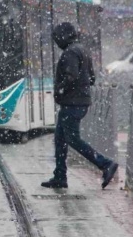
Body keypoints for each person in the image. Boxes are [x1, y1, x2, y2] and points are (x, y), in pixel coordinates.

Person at [41, 22, 118, 190]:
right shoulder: (82, 50)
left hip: (72, 103)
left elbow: (71, 76)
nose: (56, 43)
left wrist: (60, 90)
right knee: (60, 139)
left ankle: (105, 164)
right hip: (79, 102)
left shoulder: (70, 53)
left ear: (63, 37)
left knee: (72, 139)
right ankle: (60, 176)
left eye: (56, 39)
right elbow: (91, 78)